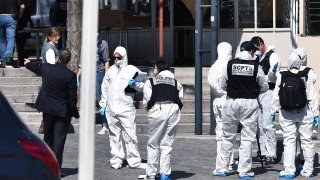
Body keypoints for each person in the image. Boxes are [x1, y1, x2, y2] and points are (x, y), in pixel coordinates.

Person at [213, 41, 268, 179]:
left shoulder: (230, 64)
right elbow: (264, 87)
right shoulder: (256, 67)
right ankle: (244, 170)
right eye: (254, 52)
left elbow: (223, 85)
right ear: (250, 52)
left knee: (227, 136)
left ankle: (221, 168)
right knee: (247, 138)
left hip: (231, 101)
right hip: (249, 102)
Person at [24, 49, 79, 170]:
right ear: (67, 61)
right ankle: (56, 169)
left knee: (48, 139)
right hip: (62, 112)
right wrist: (72, 112)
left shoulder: (47, 68)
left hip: (48, 110)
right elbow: (73, 98)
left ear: (58, 58)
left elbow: (34, 68)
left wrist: (27, 63)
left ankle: (46, 167)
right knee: (59, 142)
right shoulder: (70, 75)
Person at [270, 51, 318, 178]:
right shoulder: (307, 73)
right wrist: (316, 113)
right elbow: (312, 95)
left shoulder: (282, 74)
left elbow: (276, 95)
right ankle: (308, 170)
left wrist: (272, 111)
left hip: (286, 113)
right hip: (305, 111)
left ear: (289, 62)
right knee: (306, 141)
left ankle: (289, 170)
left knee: (289, 141)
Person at [99, 46, 146, 169]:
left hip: (126, 108)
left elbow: (143, 85)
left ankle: (134, 160)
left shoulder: (131, 70)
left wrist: (135, 84)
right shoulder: (111, 70)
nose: (116, 59)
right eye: (115, 57)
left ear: (124, 56)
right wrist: (103, 104)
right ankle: (116, 160)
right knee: (114, 135)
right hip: (111, 108)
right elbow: (105, 87)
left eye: (118, 57)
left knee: (130, 134)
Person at [142, 60, 183, 180]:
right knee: (167, 143)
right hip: (173, 109)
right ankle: (165, 173)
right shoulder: (176, 82)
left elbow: (147, 99)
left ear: (159, 69)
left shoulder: (151, 81)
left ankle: (151, 173)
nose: (154, 70)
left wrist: (150, 109)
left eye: (155, 68)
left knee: (153, 143)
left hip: (158, 109)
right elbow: (180, 99)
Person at [207, 42, 238, 171]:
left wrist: (220, 92)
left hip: (219, 101)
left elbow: (212, 82)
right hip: (231, 101)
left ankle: (221, 160)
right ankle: (229, 160)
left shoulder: (215, 66)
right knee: (230, 133)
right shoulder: (233, 65)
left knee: (220, 131)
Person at [250, 36, 281, 164]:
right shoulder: (258, 58)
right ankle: (263, 151)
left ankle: (271, 153)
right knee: (260, 124)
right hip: (258, 93)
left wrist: (271, 73)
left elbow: (274, 77)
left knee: (268, 123)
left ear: (261, 44)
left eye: (257, 48)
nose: (255, 51)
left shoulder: (273, 56)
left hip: (268, 92)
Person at [77, 35, 110, 135]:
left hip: (99, 72)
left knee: (100, 99)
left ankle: (105, 124)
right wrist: (78, 76)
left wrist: (106, 76)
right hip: (87, 73)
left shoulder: (103, 44)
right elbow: (82, 63)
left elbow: (106, 60)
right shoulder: (85, 45)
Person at [38, 27, 61, 134]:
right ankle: (45, 124)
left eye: (58, 36)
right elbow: (51, 65)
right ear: (49, 37)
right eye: (55, 36)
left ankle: (46, 124)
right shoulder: (50, 48)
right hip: (50, 79)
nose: (57, 38)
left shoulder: (48, 46)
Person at [0, 0, 25, 68]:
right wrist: (19, 16)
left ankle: (3, 61)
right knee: (11, 38)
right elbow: (22, 7)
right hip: (10, 17)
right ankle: (8, 56)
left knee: (1, 41)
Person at [15, 0, 33, 67]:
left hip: (22, 23)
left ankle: (21, 60)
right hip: (27, 22)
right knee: (23, 43)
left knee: (20, 43)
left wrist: (18, 17)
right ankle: (23, 60)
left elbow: (22, 7)